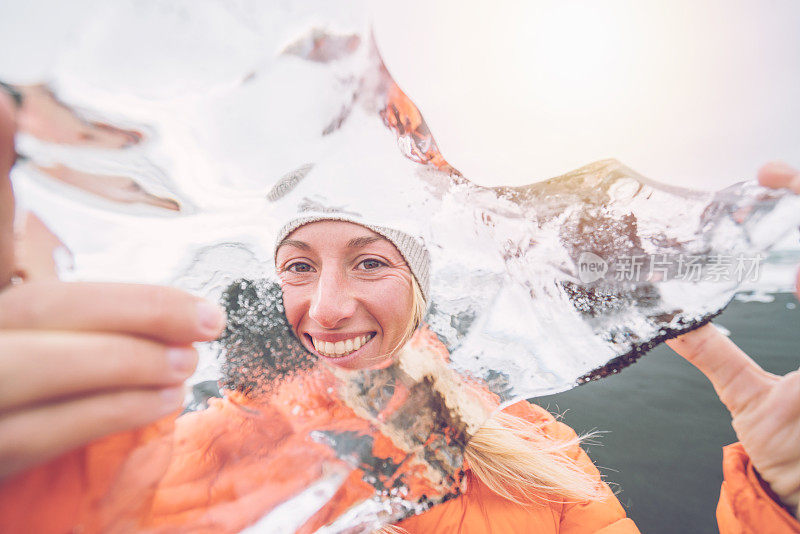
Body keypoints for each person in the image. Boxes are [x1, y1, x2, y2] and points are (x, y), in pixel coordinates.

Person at [1, 85, 800, 532]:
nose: (327, 306)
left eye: (371, 262)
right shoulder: (198, 450)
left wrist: (780, 498)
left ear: (419, 290)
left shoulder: (532, 454)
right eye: (298, 268)